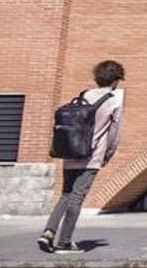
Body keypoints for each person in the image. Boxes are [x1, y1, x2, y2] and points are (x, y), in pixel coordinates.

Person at [37, 60, 125, 254]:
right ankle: (65, 242)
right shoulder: (113, 100)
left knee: (66, 195)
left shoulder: (84, 95)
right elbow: (114, 134)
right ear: (116, 80)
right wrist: (107, 155)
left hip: (70, 152)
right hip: (92, 156)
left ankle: (48, 233)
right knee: (77, 197)